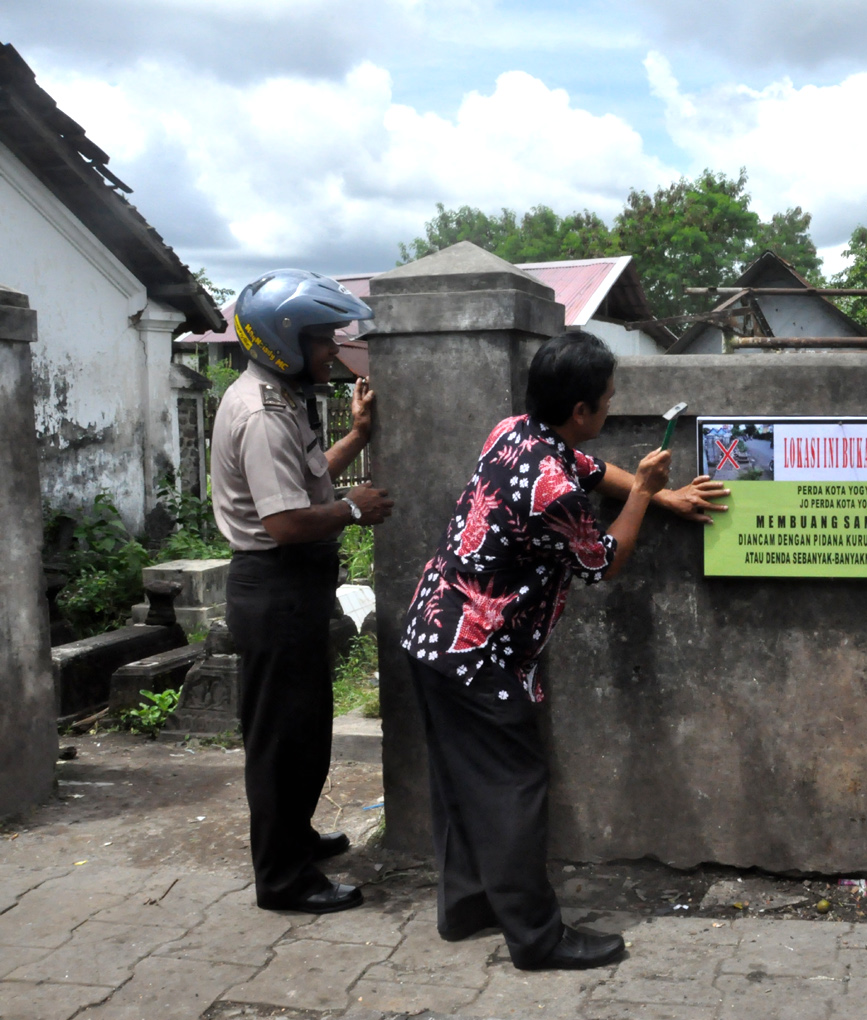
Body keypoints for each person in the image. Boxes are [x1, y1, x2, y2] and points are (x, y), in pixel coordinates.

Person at [401, 330, 727, 970]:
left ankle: (467, 905)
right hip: (478, 653)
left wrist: (662, 495)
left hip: (432, 631)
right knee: (512, 788)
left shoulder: (515, 432)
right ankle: (536, 939)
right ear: (581, 410)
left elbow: (591, 468)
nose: (610, 408)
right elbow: (602, 561)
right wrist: (643, 495)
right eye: (606, 401)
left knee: (459, 780)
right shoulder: (548, 487)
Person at [212, 269, 395, 913]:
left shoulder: (283, 398)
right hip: (276, 585)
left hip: (292, 589)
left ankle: (295, 838)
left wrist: (358, 436)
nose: (332, 352)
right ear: (283, 341)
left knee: (305, 728)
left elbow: (303, 483)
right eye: (321, 340)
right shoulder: (261, 414)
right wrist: (354, 510)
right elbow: (286, 523)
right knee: (283, 738)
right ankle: (283, 880)